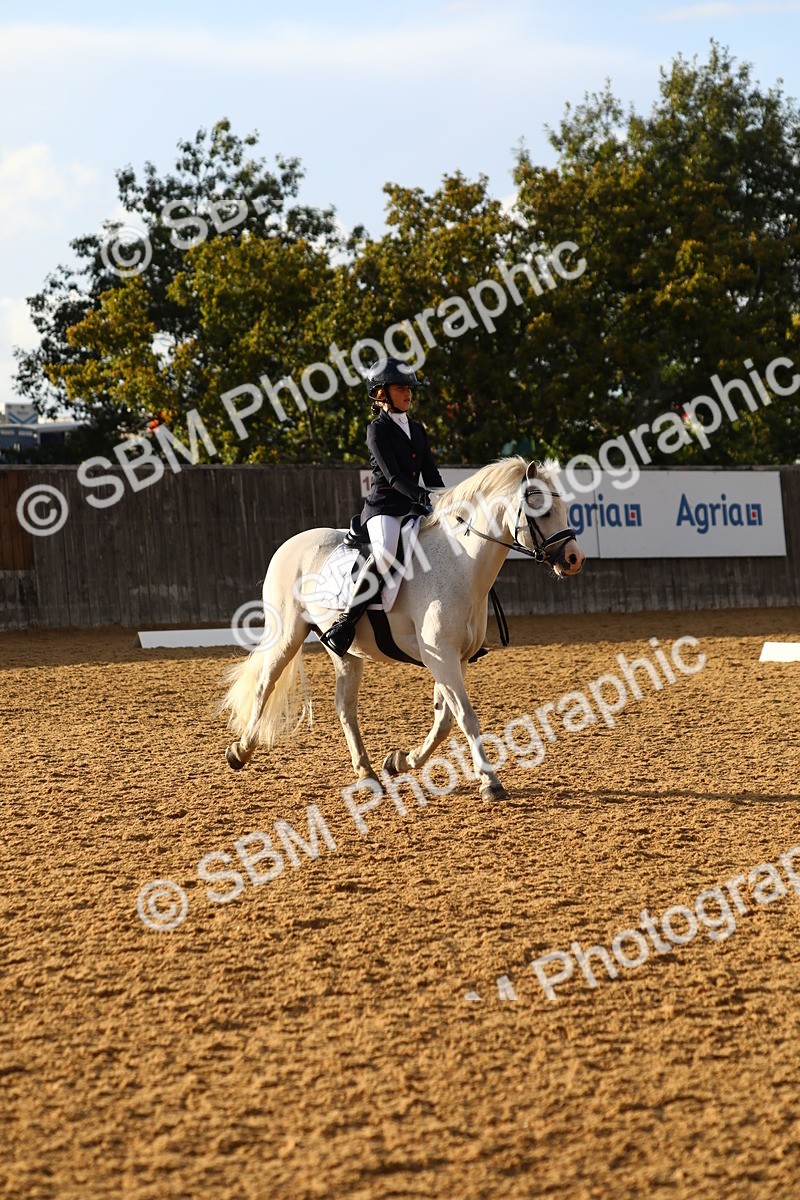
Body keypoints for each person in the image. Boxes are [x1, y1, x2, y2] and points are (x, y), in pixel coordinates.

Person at [319, 357, 445, 656]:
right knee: (386, 553)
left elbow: (431, 474)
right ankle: (345, 623)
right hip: (385, 507)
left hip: (414, 507)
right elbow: (393, 476)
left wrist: (445, 497)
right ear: (381, 394)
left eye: (409, 388)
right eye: (401, 388)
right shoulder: (377, 430)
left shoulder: (418, 430)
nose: (408, 393)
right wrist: (424, 497)